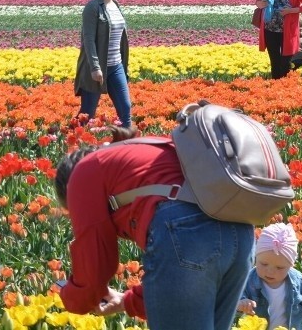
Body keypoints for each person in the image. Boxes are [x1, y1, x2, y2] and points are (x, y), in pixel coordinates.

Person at [54, 126, 255, 330]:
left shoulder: (84, 172)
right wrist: (126, 301)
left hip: (189, 235)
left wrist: (72, 299)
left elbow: (95, 263)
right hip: (240, 232)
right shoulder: (146, 147)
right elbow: (178, 280)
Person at [238, 223, 302, 329]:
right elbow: (236, 297)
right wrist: (241, 303)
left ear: (291, 266)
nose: (270, 271)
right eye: (263, 264)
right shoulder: (249, 280)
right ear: (256, 257)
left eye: (279, 268)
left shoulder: (298, 281)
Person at [74, 0, 132, 127]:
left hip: (116, 66)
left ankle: (124, 146)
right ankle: (67, 141)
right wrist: (95, 67)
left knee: (125, 108)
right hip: (97, 68)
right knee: (87, 113)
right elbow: (88, 39)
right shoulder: (92, 7)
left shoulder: (116, 5)